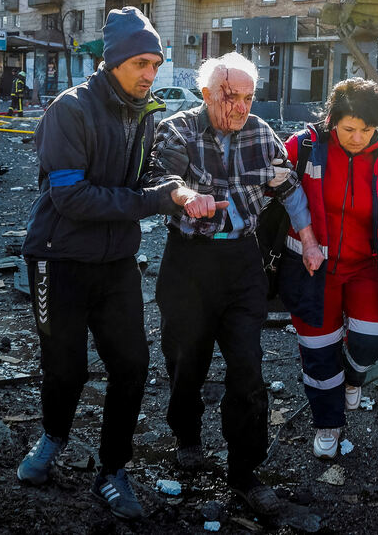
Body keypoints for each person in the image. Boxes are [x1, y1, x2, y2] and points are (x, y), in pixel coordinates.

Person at [17, 7, 195, 521]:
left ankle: (112, 471)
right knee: (65, 367)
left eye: (155, 64)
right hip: (58, 259)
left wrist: (177, 192)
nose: (149, 74)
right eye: (141, 62)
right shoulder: (70, 109)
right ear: (114, 61)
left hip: (116, 262)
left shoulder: (145, 114)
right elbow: (72, 199)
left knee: (132, 366)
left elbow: (141, 184)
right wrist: (155, 201)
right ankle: (52, 439)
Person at [144, 52, 324, 517]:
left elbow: (290, 189)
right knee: (187, 363)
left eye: (248, 97)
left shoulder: (262, 134)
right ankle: (186, 434)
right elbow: (161, 178)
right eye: (230, 96)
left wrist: (307, 241)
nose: (240, 107)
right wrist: (187, 197)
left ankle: (245, 473)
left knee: (248, 371)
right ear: (207, 94)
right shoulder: (178, 128)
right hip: (188, 264)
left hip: (242, 264)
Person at [279, 78, 378, 460]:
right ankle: (328, 424)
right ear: (332, 120)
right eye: (349, 129)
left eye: (366, 130)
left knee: (370, 338)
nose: (357, 137)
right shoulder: (304, 148)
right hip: (314, 268)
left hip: (369, 269)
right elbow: (275, 192)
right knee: (318, 349)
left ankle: (353, 377)